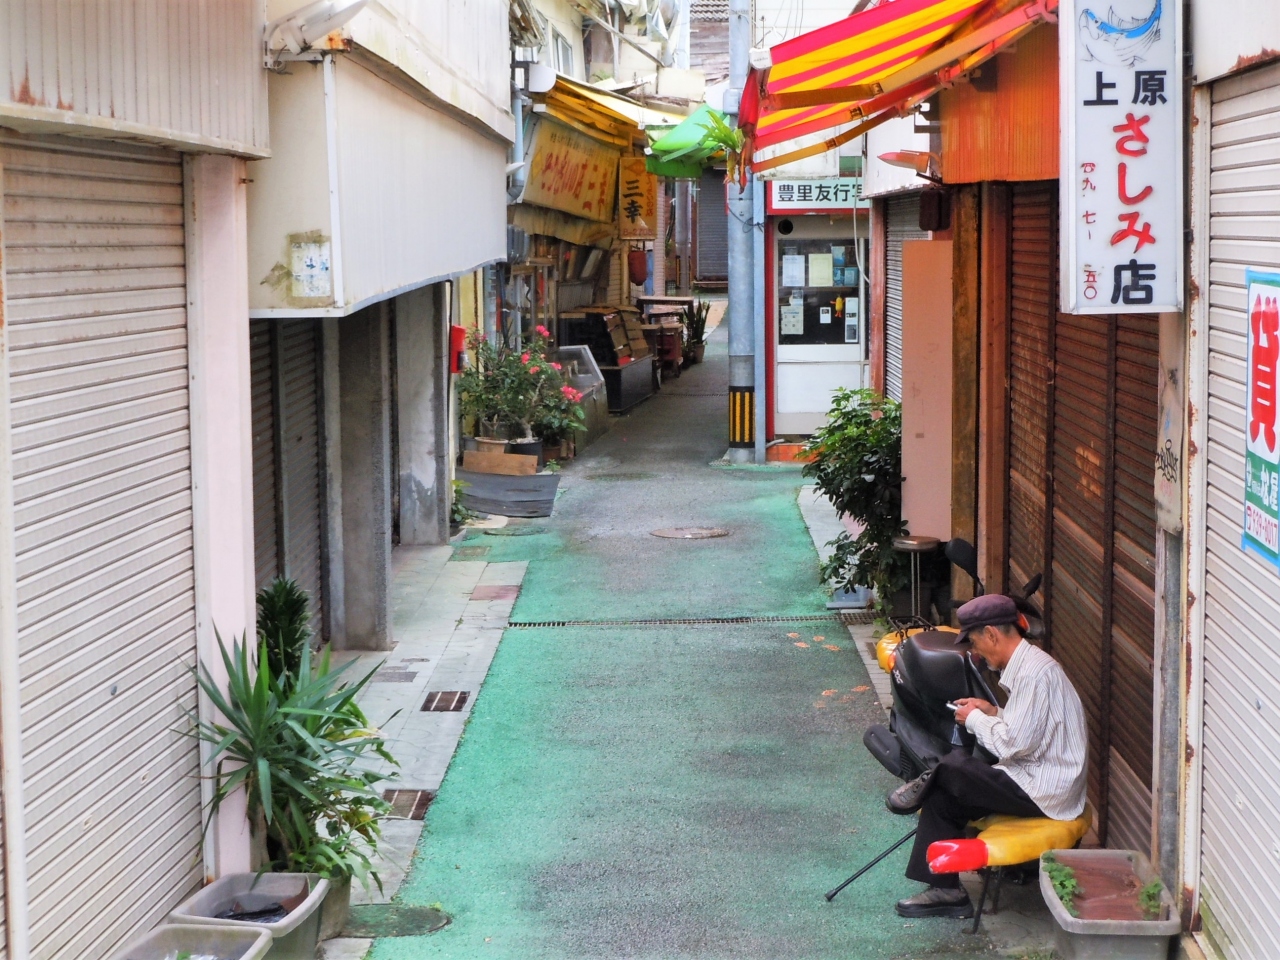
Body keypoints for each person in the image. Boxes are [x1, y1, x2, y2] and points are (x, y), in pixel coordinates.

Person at [885, 594, 1088, 919]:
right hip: (1033, 775)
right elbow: (1030, 729)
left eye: (975, 642)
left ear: (992, 634)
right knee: (944, 793)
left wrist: (976, 720)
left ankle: (928, 779)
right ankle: (946, 891)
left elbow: (1011, 745)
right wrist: (992, 711)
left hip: (1046, 791)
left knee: (955, 766)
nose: (975, 651)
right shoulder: (1030, 666)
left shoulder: (1033, 675)